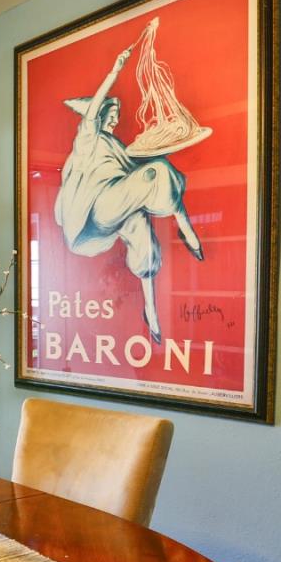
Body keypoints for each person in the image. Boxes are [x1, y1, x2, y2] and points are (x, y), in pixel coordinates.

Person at [53, 44, 203, 343]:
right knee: (156, 171)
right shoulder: (87, 144)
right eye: (111, 114)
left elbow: (139, 168)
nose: (114, 120)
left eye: (115, 115)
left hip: (119, 207)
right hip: (99, 209)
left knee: (145, 239)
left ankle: (152, 313)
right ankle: (185, 227)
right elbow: (92, 114)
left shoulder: (118, 148)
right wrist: (114, 71)